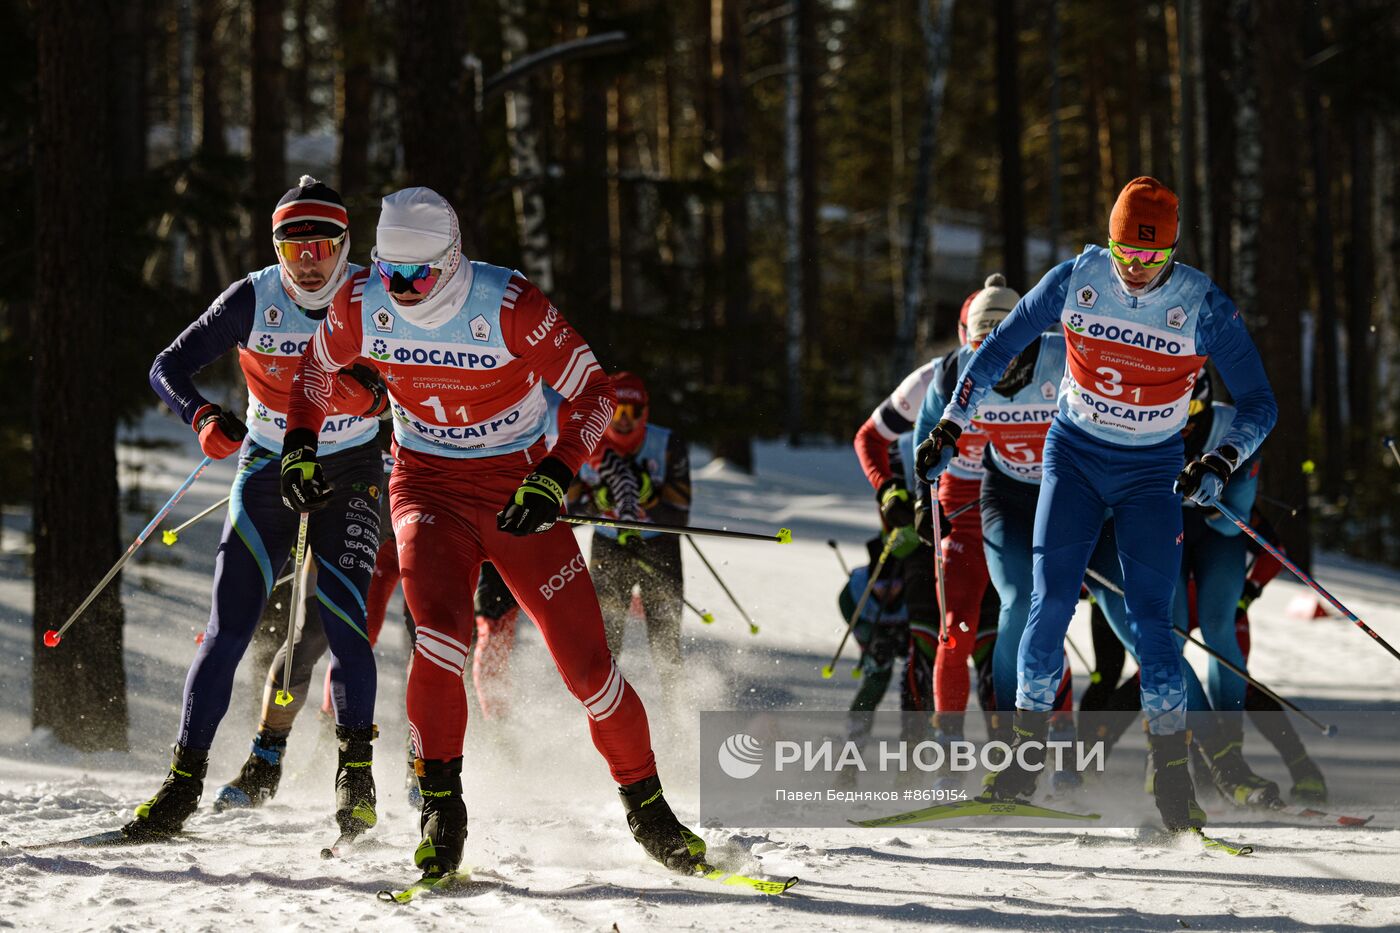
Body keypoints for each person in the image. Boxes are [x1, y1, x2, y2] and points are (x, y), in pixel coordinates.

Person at [281, 186, 703, 881]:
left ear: (451, 262)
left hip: (517, 487)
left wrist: (555, 475)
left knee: (590, 672)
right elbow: (314, 374)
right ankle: (441, 810)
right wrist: (299, 446)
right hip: (427, 487)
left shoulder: (507, 304)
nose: (401, 289)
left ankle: (650, 810)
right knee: (439, 639)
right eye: (388, 270)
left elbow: (595, 392)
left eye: (417, 275)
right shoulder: (361, 301)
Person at [920, 177, 1278, 832]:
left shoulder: (1201, 304)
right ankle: (1021, 762)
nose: (1137, 269)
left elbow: (1260, 402)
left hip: (1150, 473)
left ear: (1173, 250)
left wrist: (1221, 460)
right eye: (1125, 253)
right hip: (1075, 461)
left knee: (1153, 624)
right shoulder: (1076, 278)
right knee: (1048, 602)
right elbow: (997, 348)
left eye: (1152, 256)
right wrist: (950, 424)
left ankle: (1174, 778)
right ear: (1108, 242)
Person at [133, 176, 389, 841]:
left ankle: (355, 780)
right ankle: (182, 783)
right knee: (228, 628)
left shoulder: (375, 295)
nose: (308, 262)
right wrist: (200, 415)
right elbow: (166, 365)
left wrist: (377, 399)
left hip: (350, 470)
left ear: (345, 244)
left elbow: (411, 380)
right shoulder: (254, 297)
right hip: (269, 465)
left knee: (344, 622)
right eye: (293, 247)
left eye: (322, 246)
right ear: (277, 249)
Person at [852, 291, 996, 753]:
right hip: (933, 526)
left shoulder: (1031, 377)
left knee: (995, 646)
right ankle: (917, 760)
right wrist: (890, 491)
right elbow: (870, 438)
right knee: (934, 638)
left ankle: (1012, 767)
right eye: (978, 336)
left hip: (1003, 522)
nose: (988, 348)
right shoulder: (934, 378)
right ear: (962, 335)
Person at [570, 372, 692, 705]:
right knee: (604, 646)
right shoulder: (585, 442)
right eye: (616, 411)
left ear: (645, 412)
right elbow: (570, 512)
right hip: (608, 547)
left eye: (632, 412)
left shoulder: (667, 444)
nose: (624, 420)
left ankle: (678, 717)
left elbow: (680, 516)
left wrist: (649, 498)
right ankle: (603, 715)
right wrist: (598, 502)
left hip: (659, 546)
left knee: (666, 646)